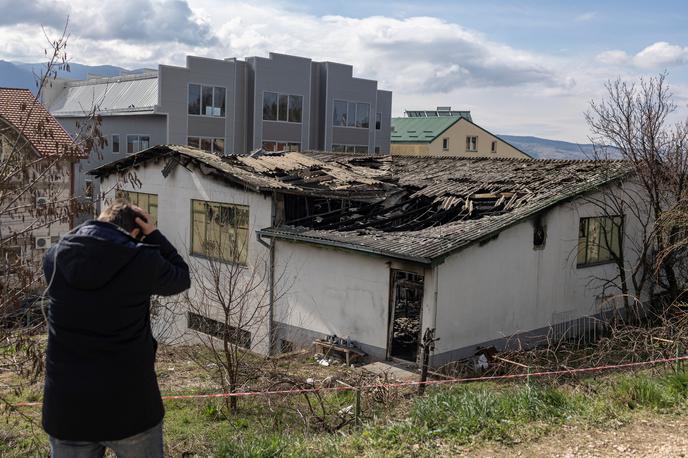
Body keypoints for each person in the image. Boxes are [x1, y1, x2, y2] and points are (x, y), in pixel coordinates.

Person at [42, 199, 191, 457]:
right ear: (136, 231)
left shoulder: (54, 258)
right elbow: (181, 277)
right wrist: (153, 234)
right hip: (130, 406)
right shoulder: (141, 259)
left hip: (67, 407)